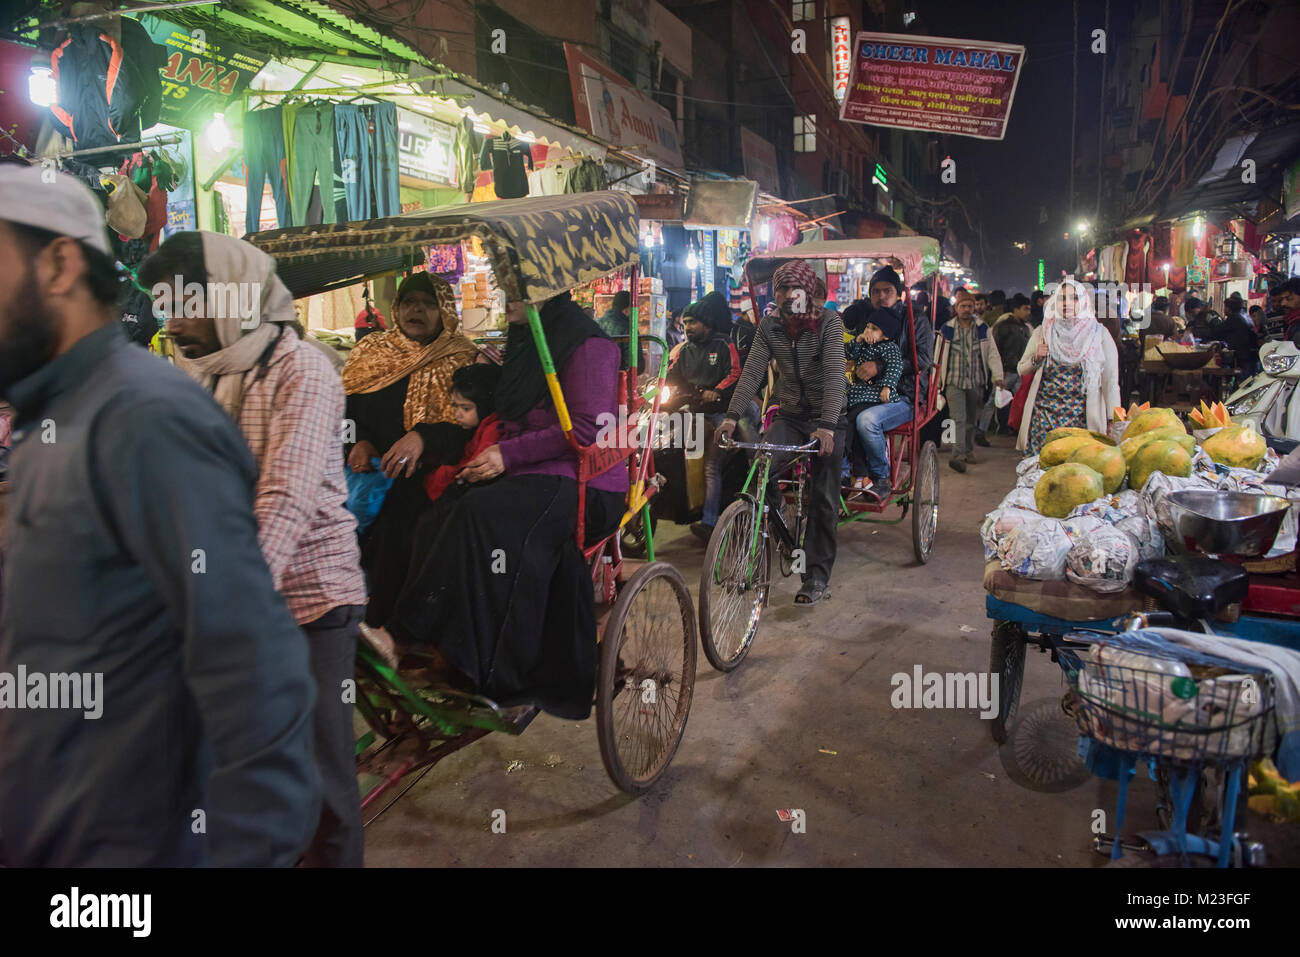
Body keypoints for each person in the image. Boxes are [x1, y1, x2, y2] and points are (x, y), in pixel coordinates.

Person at [0, 162, 320, 866]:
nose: (176, 317)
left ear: (57, 265)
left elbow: (250, 663)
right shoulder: (50, 422)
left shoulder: (143, 417)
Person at [140, 230, 367, 868]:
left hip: (309, 600)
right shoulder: (201, 374)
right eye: (165, 305)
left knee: (322, 788)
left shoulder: (305, 369)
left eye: (183, 303)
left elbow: (285, 500)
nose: (173, 321)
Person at [362, 292, 627, 719]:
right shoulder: (525, 347)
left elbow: (587, 428)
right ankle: (441, 654)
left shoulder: (588, 345)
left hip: (585, 482)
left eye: (518, 287)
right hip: (533, 474)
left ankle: (405, 637)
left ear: (545, 290)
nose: (505, 296)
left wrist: (508, 454)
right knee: (437, 516)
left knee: (477, 516)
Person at [341, 272, 479, 627]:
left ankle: (385, 628)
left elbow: (469, 426)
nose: (417, 310)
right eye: (409, 303)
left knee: (398, 527)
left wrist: (422, 438)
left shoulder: (462, 357)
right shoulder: (371, 352)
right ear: (396, 308)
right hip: (366, 469)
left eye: (429, 304)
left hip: (428, 472)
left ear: (445, 309)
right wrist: (356, 441)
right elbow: (344, 412)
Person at [716, 260, 846, 606]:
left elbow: (835, 377)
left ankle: (816, 578)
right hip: (790, 416)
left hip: (828, 418)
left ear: (809, 291)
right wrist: (730, 417)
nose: (789, 296)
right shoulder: (770, 326)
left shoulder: (829, 323)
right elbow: (752, 372)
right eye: (782, 289)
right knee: (760, 462)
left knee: (823, 499)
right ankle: (776, 523)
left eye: (795, 289)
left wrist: (828, 426)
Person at [664, 291, 745, 541]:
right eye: (685, 323)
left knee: (711, 466)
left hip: (721, 415)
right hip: (693, 415)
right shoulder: (685, 350)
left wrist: (716, 392)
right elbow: (670, 375)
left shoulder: (723, 344)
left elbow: (734, 373)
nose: (688, 327)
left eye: (693, 322)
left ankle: (709, 522)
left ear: (706, 324)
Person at [1017, 278, 1121, 456]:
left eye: (1074, 298)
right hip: (1044, 419)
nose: (1067, 303)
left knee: (1077, 475)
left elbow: (1110, 381)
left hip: (1082, 422)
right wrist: (1036, 359)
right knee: (1042, 474)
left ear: (1083, 302)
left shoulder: (1099, 335)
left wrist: (1114, 418)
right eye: (1062, 298)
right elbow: (1021, 369)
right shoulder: (1043, 331)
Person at [936, 289, 1004, 472]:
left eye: (969, 306)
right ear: (956, 308)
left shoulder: (983, 329)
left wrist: (998, 376)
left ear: (974, 308)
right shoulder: (947, 329)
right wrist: (936, 381)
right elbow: (938, 357)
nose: (966, 309)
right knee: (958, 417)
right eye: (962, 306)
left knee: (971, 419)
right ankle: (958, 455)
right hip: (952, 381)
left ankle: (968, 450)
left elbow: (992, 354)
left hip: (975, 381)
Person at [845, 307, 908, 500]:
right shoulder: (864, 345)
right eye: (868, 327)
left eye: (874, 329)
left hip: (873, 397)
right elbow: (849, 354)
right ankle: (846, 474)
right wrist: (858, 339)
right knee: (846, 426)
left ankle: (876, 475)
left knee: (860, 423)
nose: (868, 331)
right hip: (857, 396)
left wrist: (887, 387)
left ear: (885, 336)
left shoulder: (889, 348)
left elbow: (896, 367)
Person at [978, 292, 1032, 440]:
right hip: (1005, 372)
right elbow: (994, 351)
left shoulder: (1026, 328)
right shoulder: (1002, 326)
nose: (1028, 312)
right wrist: (997, 373)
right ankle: (981, 431)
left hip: (1019, 372)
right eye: (1025, 309)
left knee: (1022, 402)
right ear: (1016, 309)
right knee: (992, 402)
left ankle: (1019, 430)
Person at [1220, 292, 1260, 377]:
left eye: (1225, 307)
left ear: (1229, 308)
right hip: (1251, 355)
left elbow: (1218, 331)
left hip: (1243, 356)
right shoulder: (1245, 315)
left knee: (1244, 382)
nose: (1224, 309)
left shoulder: (1234, 318)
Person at [598, 289, 632, 365]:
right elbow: (633, 362)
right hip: (618, 374)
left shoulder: (597, 322)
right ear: (627, 309)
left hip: (600, 372)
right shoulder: (628, 328)